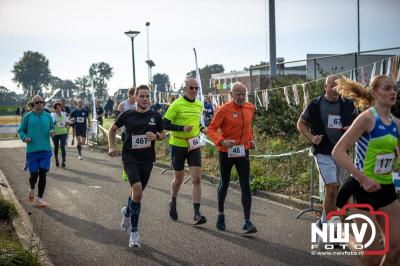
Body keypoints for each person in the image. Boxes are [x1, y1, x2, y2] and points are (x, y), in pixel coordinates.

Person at [332, 75, 400, 265]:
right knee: (372, 256)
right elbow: (338, 151)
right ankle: (340, 233)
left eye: (394, 88)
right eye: (387, 88)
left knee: (396, 249)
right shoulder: (367, 118)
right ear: (374, 93)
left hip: (386, 190)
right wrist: (363, 179)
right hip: (362, 190)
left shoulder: (396, 124)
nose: (393, 92)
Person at [296, 74, 357, 230]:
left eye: (337, 86)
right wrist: (311, 137)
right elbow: (301, 123)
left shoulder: (348, 104)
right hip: (323, 151)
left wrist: (352, 129)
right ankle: (332, 229)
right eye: (331, 86)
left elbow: (359, 125)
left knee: (337, 190)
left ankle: (323, 222)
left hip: (342, 152)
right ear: (325, 87)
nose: (335, 90)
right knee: (331, 186)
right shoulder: (315, 104)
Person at [108, 85, 165, 248]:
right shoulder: (127, 115)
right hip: (129, 157)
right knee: (138, 191)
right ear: (135, 98)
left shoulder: (155, 115)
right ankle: (134, 233)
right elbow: (112, 130)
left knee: (136, 193)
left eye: (147, 96)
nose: (145, 99)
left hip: (147, 160)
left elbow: (163, 134)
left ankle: (127, 212)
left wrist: (156, 136)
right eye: (142, 96)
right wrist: (111, 146)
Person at [207, 82, 257, 234]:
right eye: (238, 94)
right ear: (231, 94)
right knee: (224, 183)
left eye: (244, 94)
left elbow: (247, 127)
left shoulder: (250, 107)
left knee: (245, 185)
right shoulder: (223, 110)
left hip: (243, 151)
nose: (241, 97)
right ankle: (221, 214)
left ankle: (247, 221)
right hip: (226, 152)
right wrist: (222, 141)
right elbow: (211, 130)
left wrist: (250, 139)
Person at [163, 78, 208, 225]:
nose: (194, 91)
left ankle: (197, 214)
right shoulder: (176, 104)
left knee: (196, 179)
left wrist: (203, 129)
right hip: (178, 145)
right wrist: (181, 128)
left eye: (196, 88)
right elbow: (164, 123)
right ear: (185, 88)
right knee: (178, 179)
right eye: (191, 88)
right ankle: (173, 201)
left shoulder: (199, 104)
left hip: (193, 144)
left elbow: (198, 123)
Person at [18, 95, 54, 208]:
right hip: (32, 151)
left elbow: (52, 127)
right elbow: (21, 130)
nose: (39, 104)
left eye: (41, 102)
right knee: (34, 174)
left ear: (43, 104)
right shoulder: (27, 117)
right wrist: (25, 138)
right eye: (37, 102)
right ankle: (32, 188)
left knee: (43, 173)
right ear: (33, 104)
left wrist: (52, 131)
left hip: (45, 150)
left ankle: (40, 199)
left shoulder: (48, 116)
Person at [51, 102, 68, 167]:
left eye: (59, 108)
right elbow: (52, 122)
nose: (58, 109)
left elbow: (66, 122)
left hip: (63, 132)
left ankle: (63, 161)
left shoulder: (64, 114)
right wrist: (54, 121)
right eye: (57, 108)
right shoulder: (52, 115)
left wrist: (68, 123)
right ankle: (56, 160)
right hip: (55, 133)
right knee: (56, 147)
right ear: (54, 109)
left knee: (62, 146)